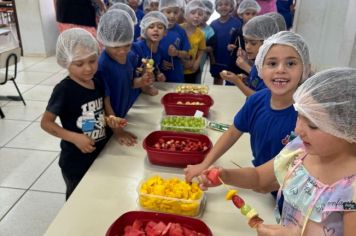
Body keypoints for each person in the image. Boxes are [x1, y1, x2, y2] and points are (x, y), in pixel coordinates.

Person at [199, 67, 356, 236]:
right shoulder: (300, 150)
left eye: (312, 125)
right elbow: (259, 177)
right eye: (299, 116)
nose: (297, 129)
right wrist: (226, 175)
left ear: (347, 129)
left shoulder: (351, 192)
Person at [185, 31, 311, 188]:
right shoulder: (256, 100)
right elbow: (232, 133)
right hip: (258, 178)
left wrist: (275, 185)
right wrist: (205, 164)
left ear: (305, 68)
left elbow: (311, 165)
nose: (280, 70)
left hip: (292, 191)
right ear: (260, 68)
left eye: (291, 63)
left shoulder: (308, 117)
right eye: (272, 63)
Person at [40, 28, 127, 200]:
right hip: (75, 161)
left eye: (92, 61)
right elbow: (46, 123)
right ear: (66, 62)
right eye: (79, 64)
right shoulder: (64, 90)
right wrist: (74, 137)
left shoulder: (98, 80)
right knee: (77, 200)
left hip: (100, 152)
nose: (88, 68)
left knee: (98, 196)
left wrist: (110, 120)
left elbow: (99, 109)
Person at [97, 10, 152, 146]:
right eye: (115, 47)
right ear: (104, 41)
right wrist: (118, 131)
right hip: (111, 122)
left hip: (124, 114)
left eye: (127, 45)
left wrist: (142, 81)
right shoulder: (103, 65)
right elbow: (106, 101)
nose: (122, 51)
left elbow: (130, 83)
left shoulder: (131, 56)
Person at [221, 14, 280, 96]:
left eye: (253, 43)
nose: (247, 47)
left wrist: (236, 81)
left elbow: (259, 98)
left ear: (267, 43)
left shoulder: (272, 67)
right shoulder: (259, 61)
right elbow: (256, 82)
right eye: (246, 41)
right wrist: (246, 79)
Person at [132, 11, 168, 95]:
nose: (155, 29)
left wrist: (159, 75)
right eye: (151, 27)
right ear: (144, 30)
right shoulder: (137, 48)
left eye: (160, 27)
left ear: (165, 33)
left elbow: (154, 67)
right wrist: (146, 88)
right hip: (134, 92)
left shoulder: (159, 51)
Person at [209, 0, 242, 85]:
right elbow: (210, 45)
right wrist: (212, 58)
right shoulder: (213, 24)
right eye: (220, 5)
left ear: (231, 7)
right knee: (217, 80)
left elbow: (240, 41)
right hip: (217, 58)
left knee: (231, 81)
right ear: (216, 8)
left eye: (226, 4)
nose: (223, 6)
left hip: (231, 59)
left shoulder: (237, 23)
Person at [159, 0, 191, 83]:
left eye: (176, 12)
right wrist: (159, 63)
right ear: (161, 11)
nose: (172, 15)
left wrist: (177, 53)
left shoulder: (180, 31)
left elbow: (186, 54)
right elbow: (149, 52)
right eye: (168, 12)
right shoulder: (155, 30)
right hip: (158, 75)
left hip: (176, 75)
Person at [227, 0, 260, 79]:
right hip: (235, 66)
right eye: (247, 14)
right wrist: (230, 47)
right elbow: (230, 46)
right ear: (241, 15)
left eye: (254, 14)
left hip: (249, 68)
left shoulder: (259, 33)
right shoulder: (236, 32)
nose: (251, 16)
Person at [181, 0, 206, 84]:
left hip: (191, 70)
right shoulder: (178, 30)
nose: (196, 16)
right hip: (178, 69)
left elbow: (201, 49)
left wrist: (197, 63)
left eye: (200, 14)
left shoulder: (201, 34)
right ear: (186, 15)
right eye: (193, 13)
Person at [197, 0, 215, 84]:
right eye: (202, 12)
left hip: (199, 62)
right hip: (185, 62)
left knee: (196, 82)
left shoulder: (210, 31)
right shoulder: (190, 27)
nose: (205, 16)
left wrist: (200, 47)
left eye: (208, 13)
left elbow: (211, 48)